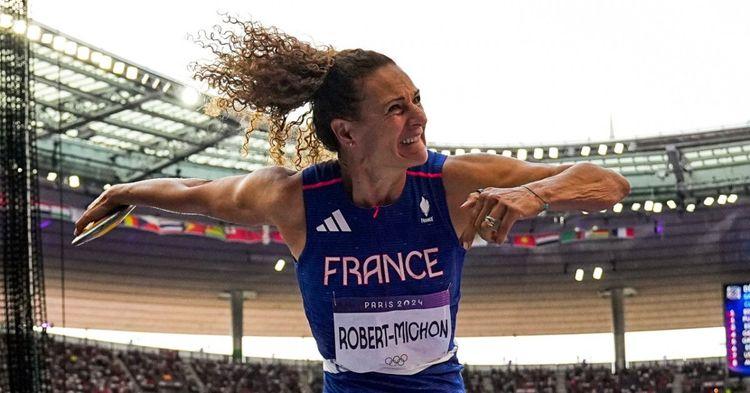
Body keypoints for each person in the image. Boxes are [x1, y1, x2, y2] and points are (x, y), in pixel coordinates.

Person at [74, 17, 630, 393]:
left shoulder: (454, 182)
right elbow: (197, 196)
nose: (419, 117)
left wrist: (535, 192)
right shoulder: (295, 197)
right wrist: (125, 192)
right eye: (395, 108)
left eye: (417, 99)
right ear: (346, 131)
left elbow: (608, 183)